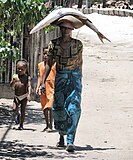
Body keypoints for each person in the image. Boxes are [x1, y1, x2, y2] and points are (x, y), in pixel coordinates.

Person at [40, 15, 110, 152]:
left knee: (74, 108)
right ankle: (61, 135)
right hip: (60, 78)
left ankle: (70, 140)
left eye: (68, 28)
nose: (65, 30)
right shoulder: (53, 44)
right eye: (63, 28)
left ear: (72, 29)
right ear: (60, 29)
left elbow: (80, 62)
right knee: (58, 108)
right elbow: (49, 64)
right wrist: (43, 82)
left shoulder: (78, 44)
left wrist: (79, 79)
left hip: (74, 78)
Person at [36, 47, 56, 132]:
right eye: (44, 53)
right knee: (44, 106)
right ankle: (47, 124)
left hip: (52, 87)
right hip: (43, 88)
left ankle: (51, 125)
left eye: (47, 54)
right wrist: (38, 86)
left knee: (50, 106)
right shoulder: (40, 65)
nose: (45, 56)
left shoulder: (54, 65)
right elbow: (39, 77)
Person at [10, 59, 32, 130]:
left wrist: (29, 94)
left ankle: (21, 124)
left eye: (22, 69)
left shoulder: (27, 77)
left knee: (23, 110)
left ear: (25, 69)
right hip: (17, 96)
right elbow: (11, 86)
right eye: (18, 69)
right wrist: (13, 82)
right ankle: (17, 114)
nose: (20, 70)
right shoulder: (15, 76)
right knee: (14, 108)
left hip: (24, 96)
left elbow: (29, 86)